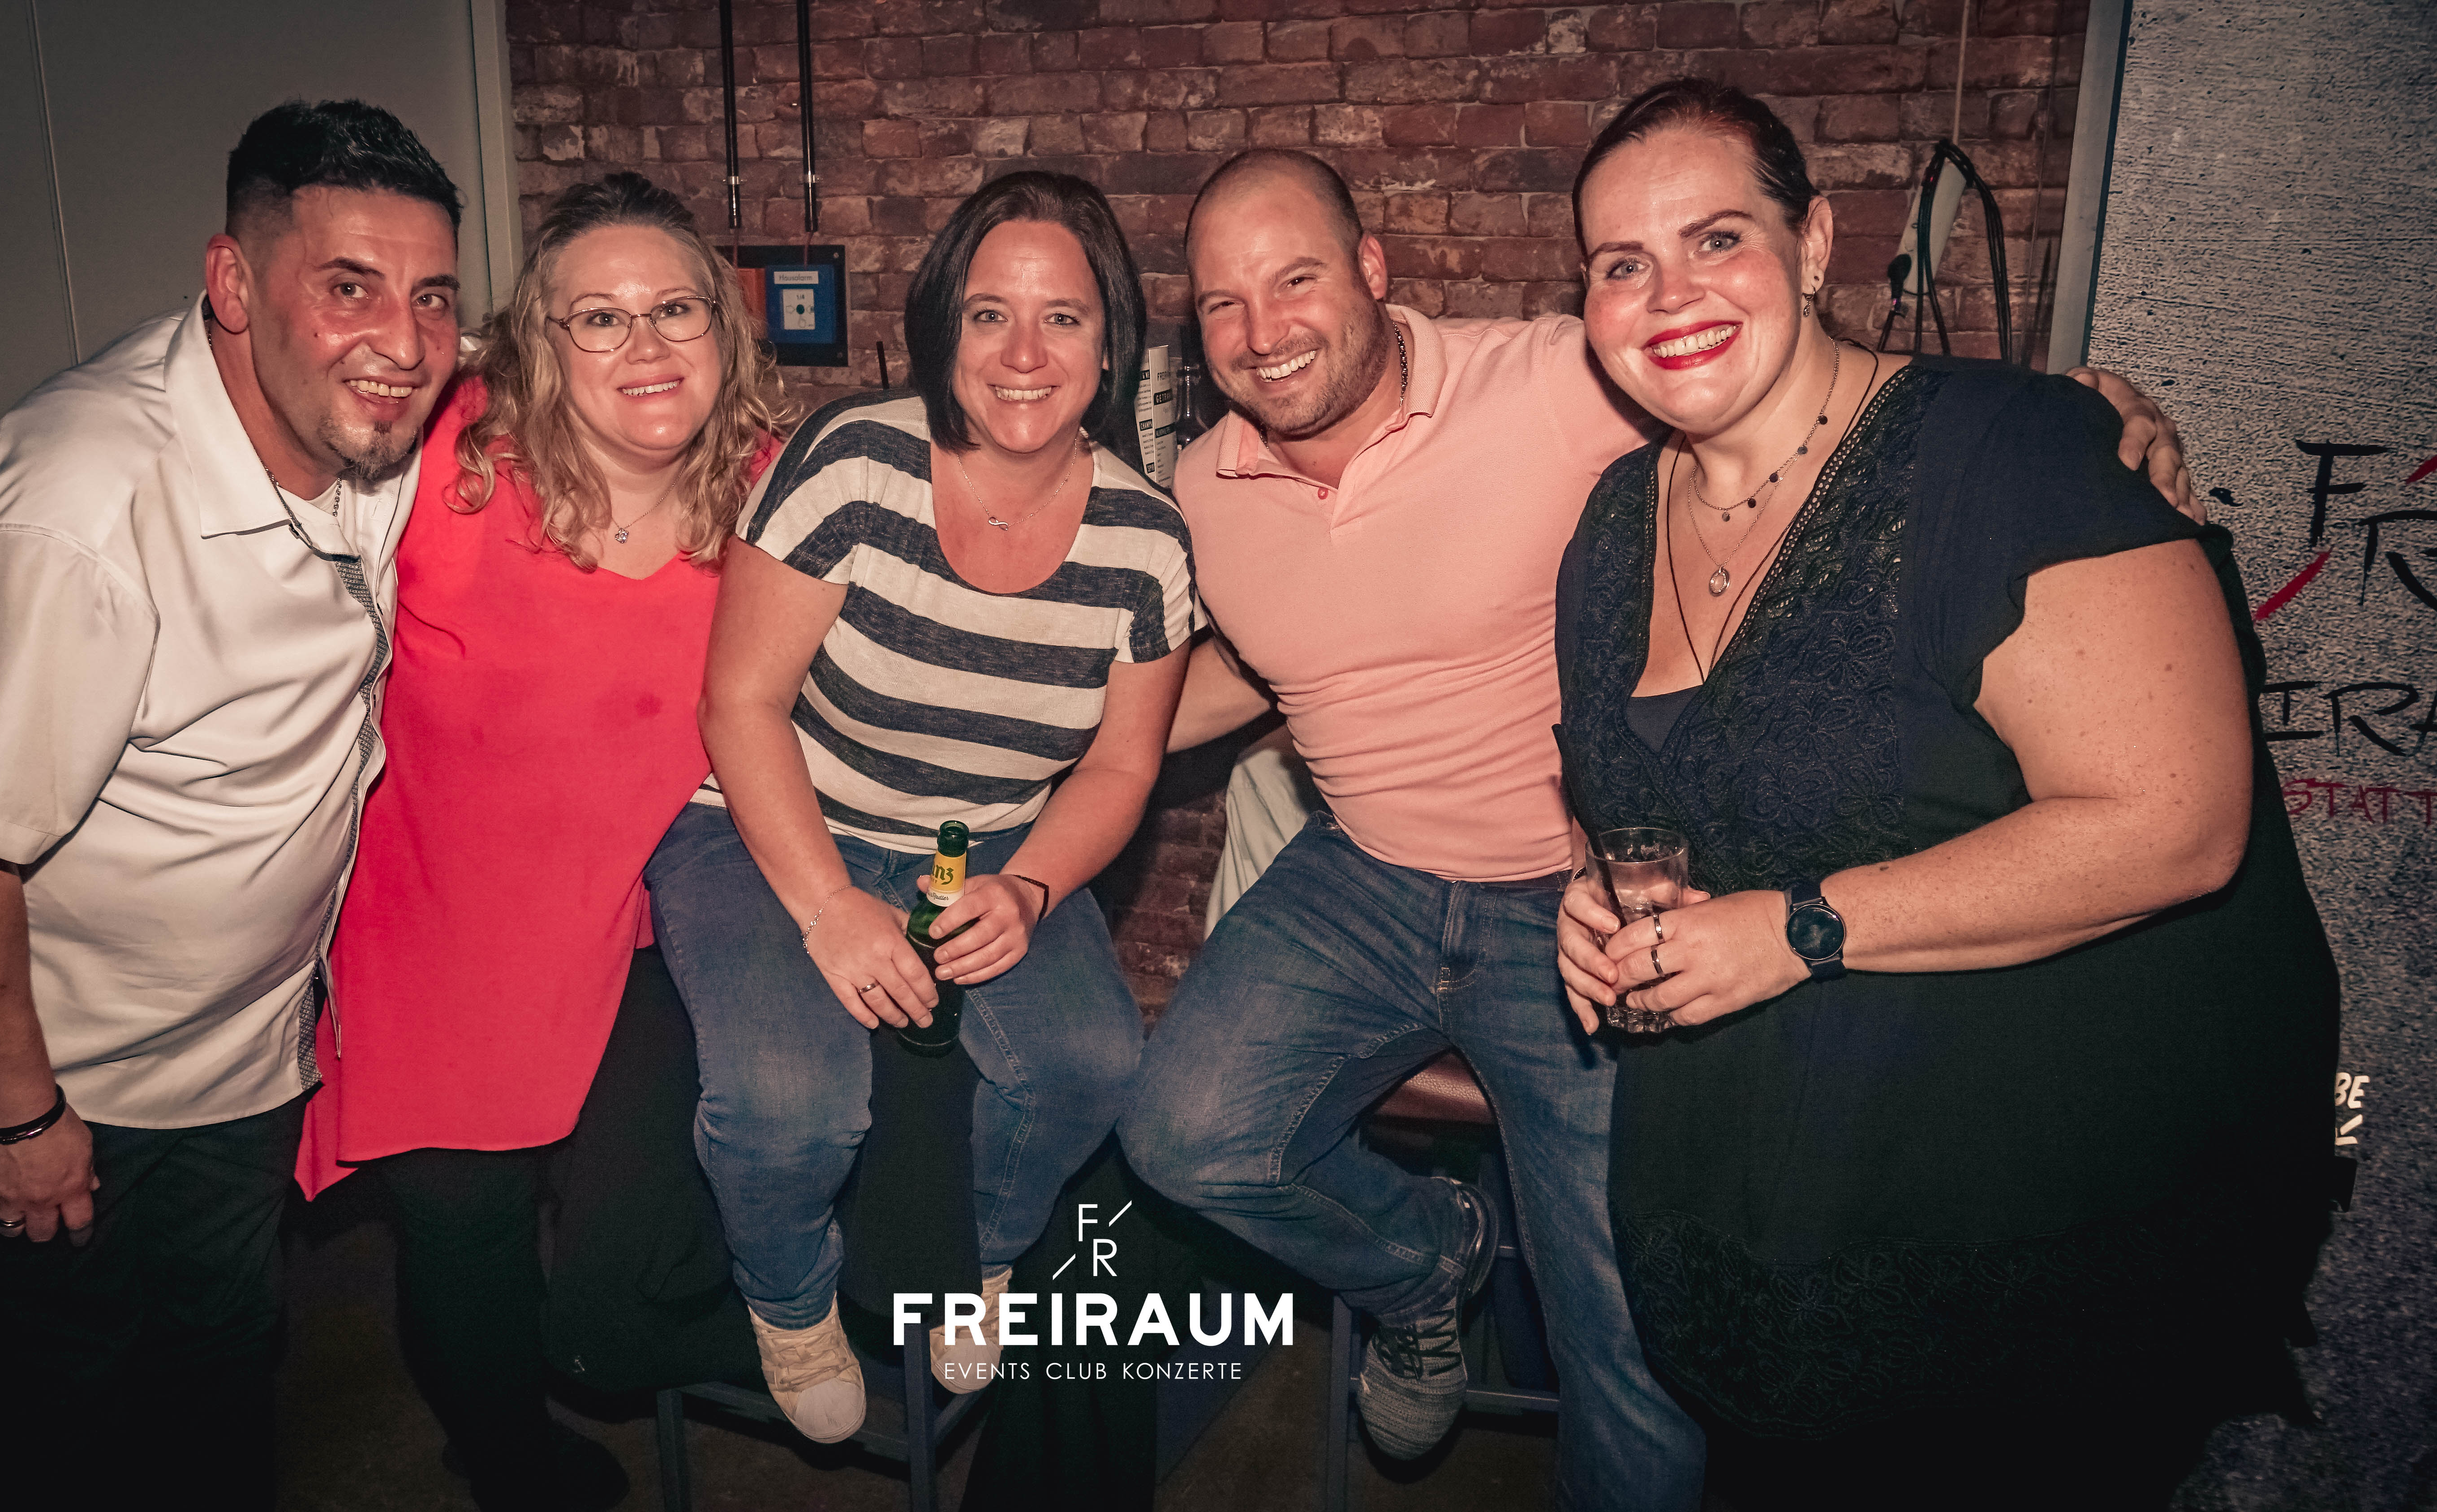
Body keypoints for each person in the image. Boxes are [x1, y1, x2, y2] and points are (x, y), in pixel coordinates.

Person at [1117, 147, 2192, 1512]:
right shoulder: (1205, 487)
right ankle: (1431, 1263)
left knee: (1633, 1343)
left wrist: (2064, 411)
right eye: (1222, 302)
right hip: (1363, 874)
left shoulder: (1556, 380)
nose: (1262, 330)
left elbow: (1805, 394)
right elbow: (1258, 660)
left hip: (1572, 901)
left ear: (1373, 271)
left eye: (1296, 280)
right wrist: (1038, 737)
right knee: (1180, 1133)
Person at [1547, 80, 2335, 1509]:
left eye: (1717, 238)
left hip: (2008, 1239)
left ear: (1812, 245)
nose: (1669, 295)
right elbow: (1662, 804)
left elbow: (2176, 824)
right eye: (1622, 264)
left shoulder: (2015, 454)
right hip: (1749, 1225)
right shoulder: (1611, 527)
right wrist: (1593, 899)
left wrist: (1797, 929)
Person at [0, 100, 462, 1510]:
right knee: (60, 1426)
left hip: (238, 1065)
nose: (403, 342)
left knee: (214, 1384)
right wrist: (19, 1119)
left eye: (434, 296)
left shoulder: (368, 432)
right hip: (65, 1083)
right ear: (232, 283)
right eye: (348, 287)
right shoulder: (82, 511)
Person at [657, 170, 1193, 1442]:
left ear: (1110, 342)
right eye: (989, 313)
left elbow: (1121, 769)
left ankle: (984, 1261)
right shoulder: (854, 460)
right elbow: (739, 705)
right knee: (791, 1101)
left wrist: (1033, 886)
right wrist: (830, 906)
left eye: (1063, 318)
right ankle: (789, 1299)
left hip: (989, 840)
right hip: (777, 815)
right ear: (946, 322)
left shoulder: (1147, 542)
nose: (1023, 354)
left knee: (1089, 1063)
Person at [292, 172, 785, 1512]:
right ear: (536, 346)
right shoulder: (445, 457)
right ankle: (507, 1462)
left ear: (724, 329)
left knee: (641, 1241)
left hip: (647, 925)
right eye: (600, 317)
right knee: (470, 1238)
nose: (646, 345)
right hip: (441, 932)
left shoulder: (775, 496)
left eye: (677, 310)